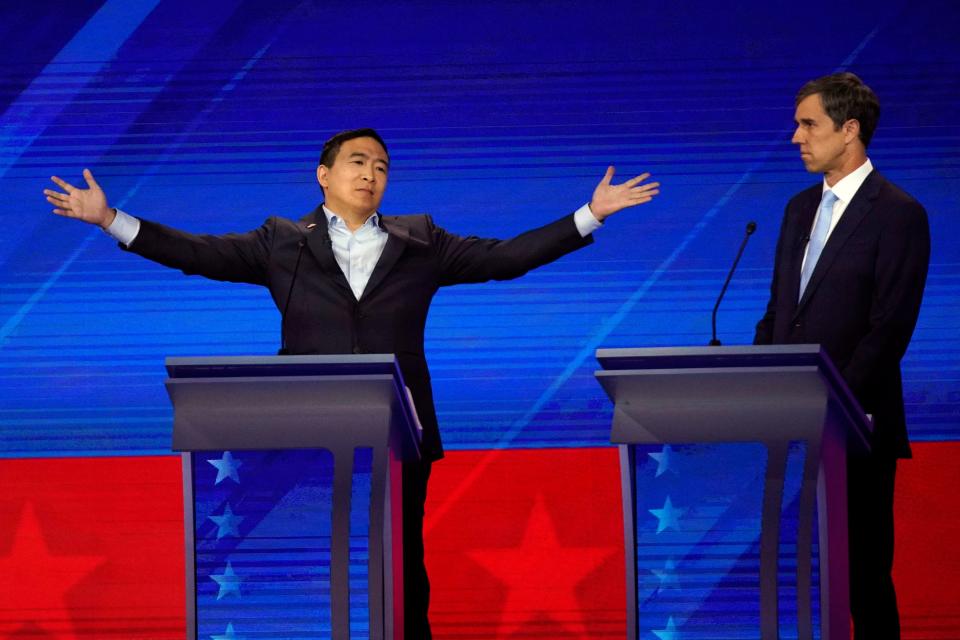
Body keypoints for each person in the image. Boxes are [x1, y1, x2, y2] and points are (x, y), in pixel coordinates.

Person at [44, 128, 660, 638]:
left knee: (399, 557)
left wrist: (588, 215)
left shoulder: (422, 241)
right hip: (304, 425)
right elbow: (199, 252)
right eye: (357, 162)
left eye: (382, 167)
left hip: (399, 428)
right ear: (323, 174)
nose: (370, 174)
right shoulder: (280, 241)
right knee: (311, 553)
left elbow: (505, 258)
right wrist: (112, 220)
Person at [754, 74, 929, 639]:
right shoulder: (797, 208)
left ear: (849, 130)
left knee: (863, 577)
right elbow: (779, 311)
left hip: (856, 426)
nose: (795, 137)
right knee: (800, 576)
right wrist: (753, 386)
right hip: (789, 422)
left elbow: (889, 328)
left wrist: (830, 407)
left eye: (809, 125)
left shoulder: (899, 213)